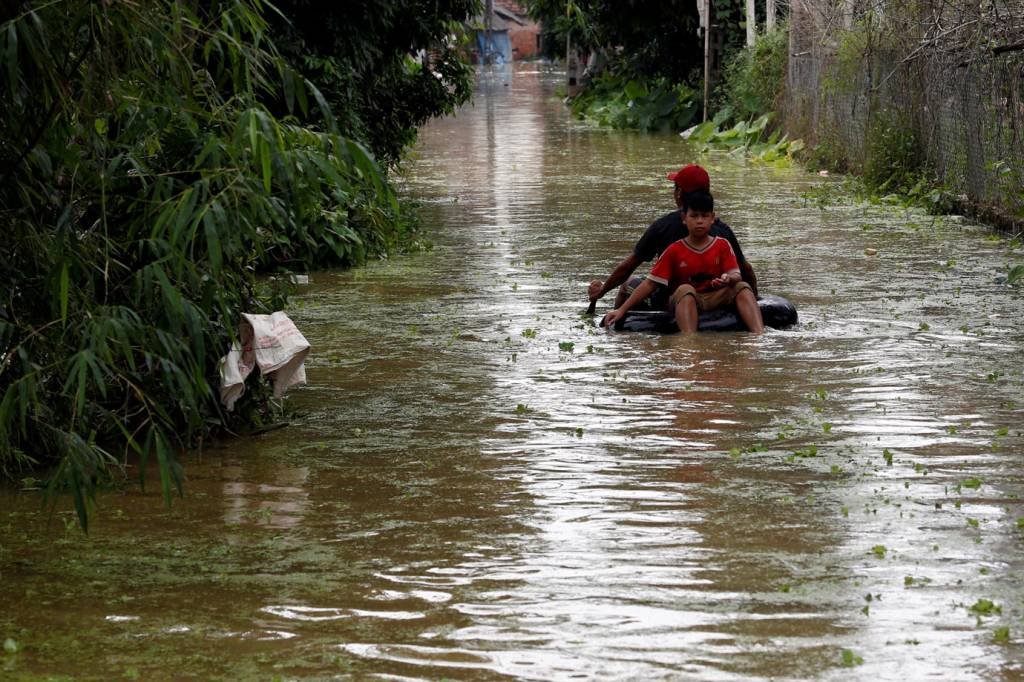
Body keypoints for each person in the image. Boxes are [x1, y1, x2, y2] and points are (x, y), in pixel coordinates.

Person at [588, 164, 757, 310]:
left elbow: (628, 267)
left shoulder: (663, 226)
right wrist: (757, 302)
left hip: (673, 299)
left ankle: (618, 328)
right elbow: (745, 269)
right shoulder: (722, 230)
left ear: (679, 193)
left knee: (628, 284)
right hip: (714, 296)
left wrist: (601, 292)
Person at [602, 191, 765, 334]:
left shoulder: (722, 245)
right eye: (694, 216)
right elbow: (650, 284)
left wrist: (729, 279)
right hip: (687, 299)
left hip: (716, 296)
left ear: (712, 218)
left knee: (741, 287)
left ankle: (759, 334)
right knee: (685, 289)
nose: (699, 221)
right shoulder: (674, 250)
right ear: (684, 219)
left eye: (705, 216)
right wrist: (622, 310)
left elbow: (735, 273)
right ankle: (689, 340)